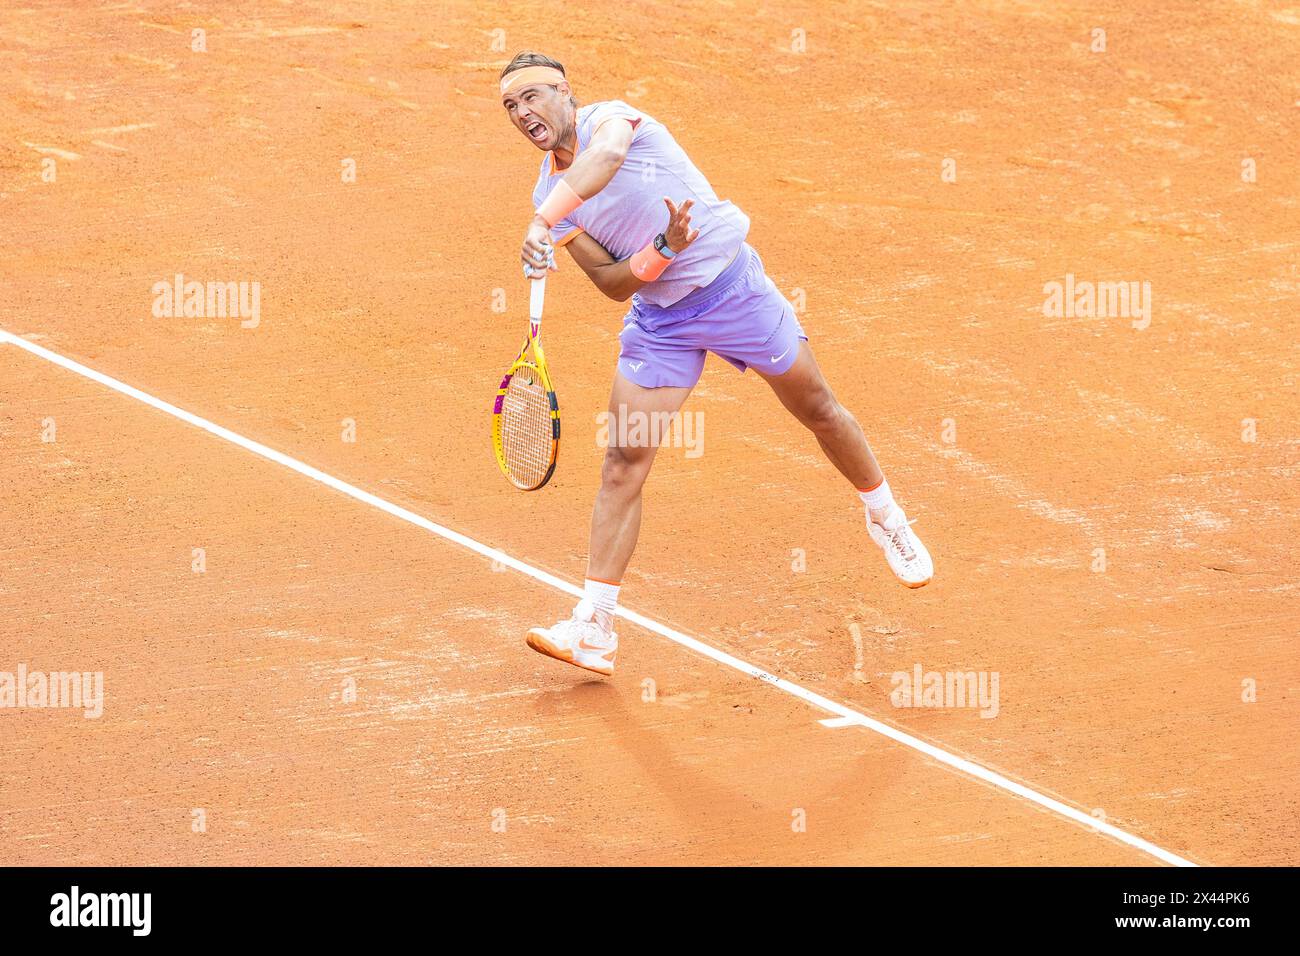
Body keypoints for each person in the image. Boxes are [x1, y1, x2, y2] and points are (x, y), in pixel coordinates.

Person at [500, 52, 933, 677]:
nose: (523, 113)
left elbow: (607, 162)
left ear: (565, 92)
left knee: (818, 410)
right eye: (511, 107)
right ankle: (594, 627)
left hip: (736, 294)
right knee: (623, 461)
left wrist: (543, 221)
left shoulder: (615, 123)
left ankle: (884, 514)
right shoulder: (550, 192)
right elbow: (614, 284)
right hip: (662, 326)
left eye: (532, 97)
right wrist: (662, 249)